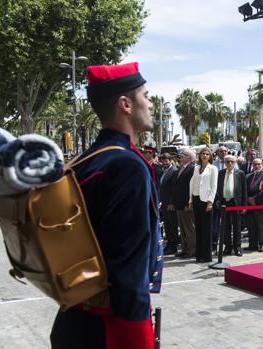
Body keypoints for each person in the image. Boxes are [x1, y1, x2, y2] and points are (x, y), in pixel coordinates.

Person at [50, 62, 162, 348]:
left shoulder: (82, 161)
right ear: (125, 104)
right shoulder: (126, 165)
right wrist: (139, 340)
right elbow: (128, 269)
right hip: (108, 328)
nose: (150, 104)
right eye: (146, 96)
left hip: (73, 318)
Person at [189, 147, 218, 263]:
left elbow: (214, 186)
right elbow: (192, 184)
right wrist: (190, 200)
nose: (205, 155)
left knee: (207, 228)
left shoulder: (213, 169)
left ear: (210, 156)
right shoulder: (196, 168)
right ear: (200, 156)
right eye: (203, 154)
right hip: (196, 199)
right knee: (199, 227)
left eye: (207, 154)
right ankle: (199, 254)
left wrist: (210, 202)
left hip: (206, 201)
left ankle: (206, 256)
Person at [215, 155, 246, 256]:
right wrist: (218, 200)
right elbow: (218, 188)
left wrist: (244, 205)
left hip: (236, 202)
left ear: (235, 163)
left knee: (237, 226)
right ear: (224, 163)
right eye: (227, 162)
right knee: (225, 226)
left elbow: (244, 191)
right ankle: (228, 247)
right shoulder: (221, 173)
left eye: (232, 162)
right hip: (224, 202)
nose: (230, 163)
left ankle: (237, 247)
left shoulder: (240, 173)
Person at [173, 149, 196, 258]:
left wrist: (189, 203)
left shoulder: (192, 169)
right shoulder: (180, 169)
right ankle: (184, 248)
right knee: (182, 229)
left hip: (186, 204)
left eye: (183, 155)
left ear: (189, 157)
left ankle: (192, 250)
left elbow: (190, 188)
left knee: (189, 228)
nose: (180, 157)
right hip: (179, 204)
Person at [245, 158, 263, 252]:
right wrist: (248, 199)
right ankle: (252, 244)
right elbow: (245, 190)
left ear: (262, 165)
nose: (257, 166)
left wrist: (254, 198)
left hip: (260, 203)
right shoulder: (248, 176)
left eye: (259, 164)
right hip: (250, 205)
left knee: (262, 226)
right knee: (251, 226)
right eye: (255, 164)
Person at [158, 153, 179, 255]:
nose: (164, 162)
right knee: (167, 225)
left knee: (172, 225)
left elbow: (174, 189)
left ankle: (173, 246)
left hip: (170, 204)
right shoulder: (164, 171)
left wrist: (172, 202)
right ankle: (169, 244)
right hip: (164, 203)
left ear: (170, 160)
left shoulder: (174, 171)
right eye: (162, 160)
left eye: (166, 160)